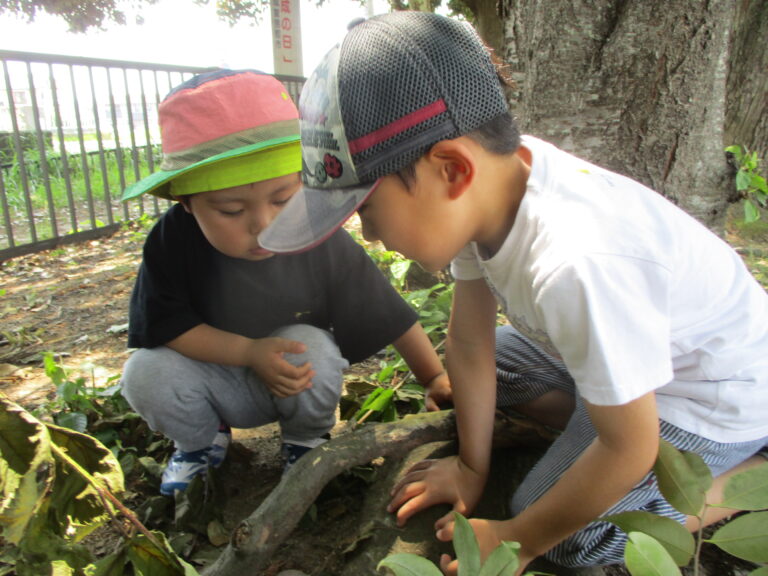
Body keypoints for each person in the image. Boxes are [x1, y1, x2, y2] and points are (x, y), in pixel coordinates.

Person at [257, 12, 768, 575]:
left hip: (708, 398)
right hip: (637, 361)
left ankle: (749, 482)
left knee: (576, 538)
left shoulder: (577, 261)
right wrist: (472, 468)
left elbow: (629, 449)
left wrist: (520, 538)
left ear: (451, 170)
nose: (370, 235)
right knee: (482, 373)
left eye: (368, 211)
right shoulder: (492, 188)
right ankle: (603, 411)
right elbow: (471, 345)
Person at [119, 69, 451, 497]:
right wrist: (247, 352)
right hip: (214, 381)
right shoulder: (170, 241)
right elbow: (166, 325)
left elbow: (387, 314)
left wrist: (433, 378)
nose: (264, 224)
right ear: (187, 203)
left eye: (283, 200)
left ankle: (305, 439)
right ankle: (200, 443)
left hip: (293, 383)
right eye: (231, 210)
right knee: (143, 371)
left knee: (308, 343)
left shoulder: (319, 236)